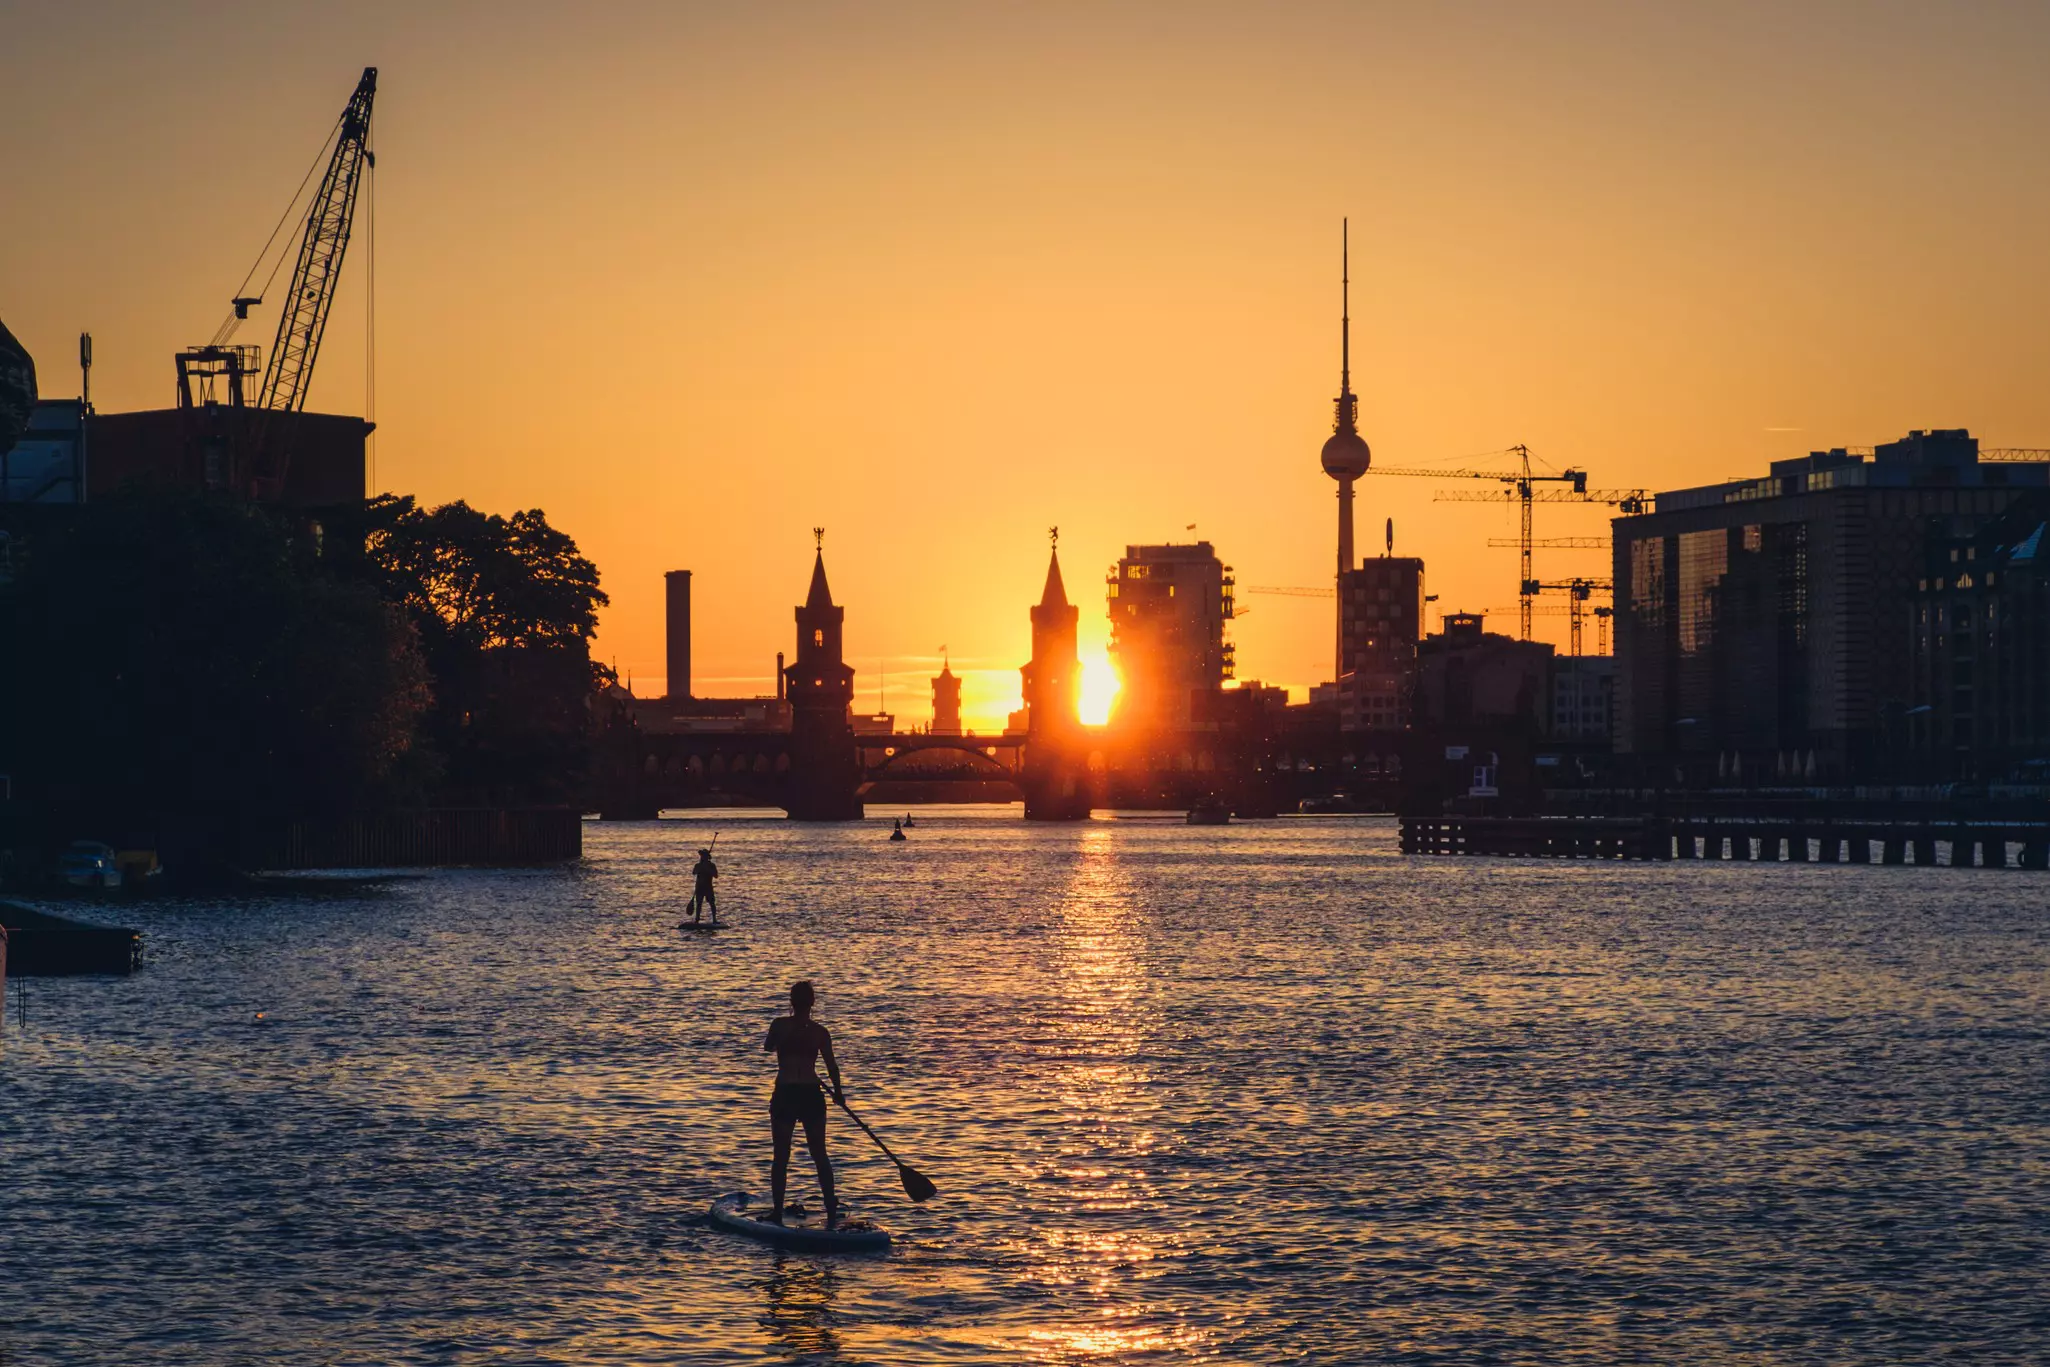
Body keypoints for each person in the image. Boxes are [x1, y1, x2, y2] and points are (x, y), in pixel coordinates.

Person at [764, 980, 843, 1225]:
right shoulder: (820, 1032)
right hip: (811, 1094)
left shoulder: (779, 1025)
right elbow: (831, 1066)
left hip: (786, 1093)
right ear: (812, 1003)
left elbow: (768, 1048)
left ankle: (777, 1212)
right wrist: (838, 1092)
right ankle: (831, 1212)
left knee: (781, 1156)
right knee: (820, 1154)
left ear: (791, 1002)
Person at [688, 847, 718, 923]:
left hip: (708, 887)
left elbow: (716, 875)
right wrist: (701, 868)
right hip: (699, 887)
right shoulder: (698, 865)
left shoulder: (711, 865)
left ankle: (714, 919)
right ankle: (697, 919)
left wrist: (708, 869)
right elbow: (694, 872)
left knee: (712, 903)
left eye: (704, 856)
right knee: (699, 904)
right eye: (702, 856)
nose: (702, 857)